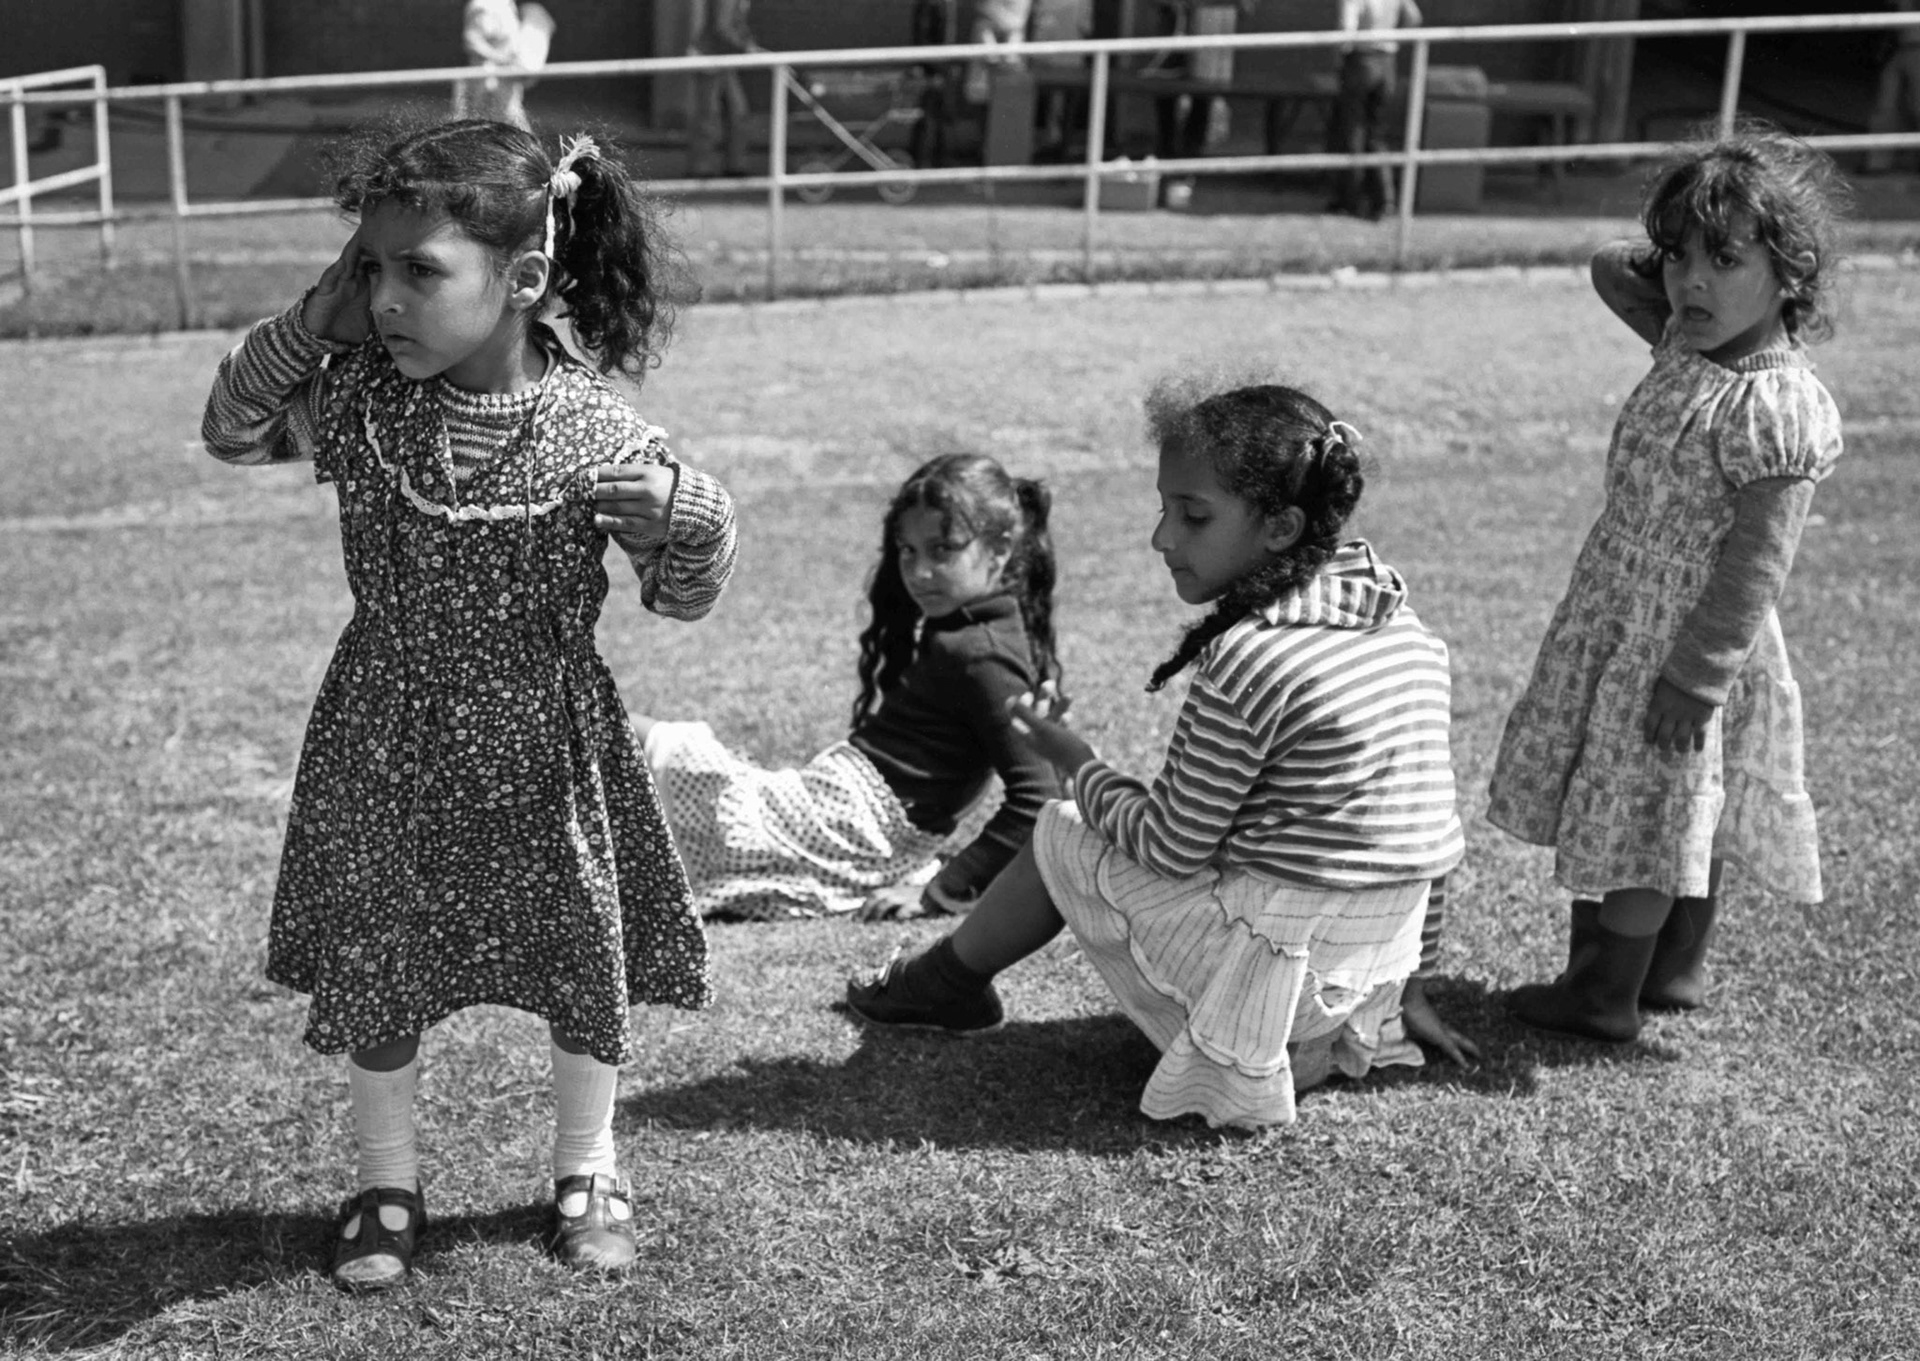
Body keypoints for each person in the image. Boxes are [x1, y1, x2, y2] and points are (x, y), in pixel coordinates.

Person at [200, 119, 738, 1289]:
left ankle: (588, 1169)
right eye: (369, 268)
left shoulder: (595, 426)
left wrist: (694, 515)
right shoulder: (362, 402)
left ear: (525, 278)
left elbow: (682, 596)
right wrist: (312, 317)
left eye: (416, 271)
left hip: (550, 742)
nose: (384, 298)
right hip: (386, 735)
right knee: (384, 959)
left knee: (576, 959)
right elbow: (231, 426)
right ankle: (386, 1182)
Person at [846, 383, 1477, 1131]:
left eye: (1193, 515)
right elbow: (1430, 843)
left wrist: (1077, 759)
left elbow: (1172, 849)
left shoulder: (1250, 657)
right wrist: (1409, 993)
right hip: (1356, 999)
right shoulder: (1404, 631)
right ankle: (1315, 1032)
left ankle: (943, 983)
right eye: (1164, 509)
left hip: (1274, 1001)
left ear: (1281, 526)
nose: (1162, 538)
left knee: (1064, 826)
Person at [1488, 122, 1849, 1043]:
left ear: (1790, 272)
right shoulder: (1685, 342)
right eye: (1680, 257)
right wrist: (1694, 245)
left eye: (1724, 259)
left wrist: (1700, 673)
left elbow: (1756, 564)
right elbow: (1614, 265)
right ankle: (1672, 972)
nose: (1690, 280)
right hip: (1618, 615)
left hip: (1682, 645)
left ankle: (1602, 991)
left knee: (1652, 809)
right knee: (1654, 800)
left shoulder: (1777, 405)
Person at [639, 453, 1063, 922]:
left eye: (943, 549)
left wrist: (940, 893)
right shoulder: (970, 635)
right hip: (833, 816)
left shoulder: (980, 654)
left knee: (658, 743)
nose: (919, 572)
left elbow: (1039, 798)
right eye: (908, 551)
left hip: (843, 832)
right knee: (669, 768)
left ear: (1000, 549)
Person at [1324, 0, 1421, 220]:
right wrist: (1393, 36)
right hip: (1388, 63)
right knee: (1376, 133)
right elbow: (1414, 17)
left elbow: (1346, 29)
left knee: (1353, 131)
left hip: (1361, 61)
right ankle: (1384, 200)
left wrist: (1339, 59)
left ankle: (1350, 200)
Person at [451, 0, 553, 130]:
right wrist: (502, 59)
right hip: (488, 83)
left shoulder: (508, 5)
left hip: (507, 82)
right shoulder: (484, 5)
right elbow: (472, 41)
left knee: (511, 126)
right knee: (484, 128)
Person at [688, 0, 758, 178]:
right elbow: (722, 26)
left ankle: (735, 164)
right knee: (710, 113)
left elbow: (733, 24)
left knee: (737, 111)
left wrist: (748, 43)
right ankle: (702, 167)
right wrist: (746, 47)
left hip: (724, 57)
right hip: (710, 57)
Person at [1866, 1, 1920, 174]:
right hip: (1902, 48)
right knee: (1885, 106)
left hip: (1915, 48)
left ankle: (1880, 162)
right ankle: (1877, 163)